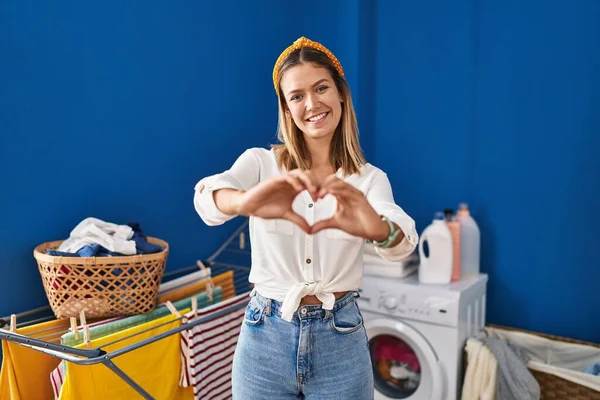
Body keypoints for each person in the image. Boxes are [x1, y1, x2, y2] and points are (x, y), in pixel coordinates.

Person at [193, 36, 418, 400]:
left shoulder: (370, 179)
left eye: (321, 88)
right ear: (286, 108)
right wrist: (246, 201)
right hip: (264, 336)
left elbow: (402, 243)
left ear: (341, 93)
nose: (312, 104)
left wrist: (376, 228)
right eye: (297, 96)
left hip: (341, 341)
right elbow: (206, 199)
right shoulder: (260, 163)